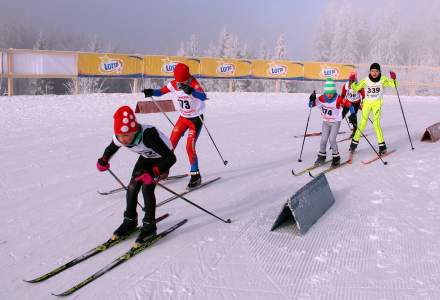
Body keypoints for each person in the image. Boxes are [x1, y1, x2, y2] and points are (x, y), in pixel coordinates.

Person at [96, 105, 176, 245]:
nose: (124, 139)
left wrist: (153, 172)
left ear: (135, 131)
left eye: (127, 136)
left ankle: (149, 225)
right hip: (147, 156)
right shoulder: (120, 136)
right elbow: (111, 148)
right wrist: (104, 159)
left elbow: (171, 158)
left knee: (147, 188)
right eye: (121, 136)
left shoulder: (148, 136)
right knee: (132, 186)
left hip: (162, 161)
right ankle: (130, 221)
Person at [142, 63, 207, 189]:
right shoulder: (174, 83)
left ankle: (196, 176)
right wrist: (151, 92)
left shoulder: (194, 83)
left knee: (189, 147)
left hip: (195, 119)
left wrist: (192, 92)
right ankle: (164, 170)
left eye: (182, 81)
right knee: (169, 144)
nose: (179, 83)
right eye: (178, 80)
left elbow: (203, 96)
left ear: (187, 78)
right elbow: (161, 92)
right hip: (183, 118)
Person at [348, 63, 397, 155]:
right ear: (370, 72)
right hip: (367, 104)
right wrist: (352, 81)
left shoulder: (382, 79)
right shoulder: (366, 80)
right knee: (362, 124)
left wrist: (393, 79)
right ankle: (353, 144)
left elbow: (393, 85)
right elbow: (356, 88)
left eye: (376, 71)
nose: (374, 73)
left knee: (376, 124)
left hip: (376, 104)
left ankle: (382, 146)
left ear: (379, 72)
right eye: (372, 71)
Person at [308, 78, 351, 167]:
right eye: (328, 93)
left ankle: (336, 158)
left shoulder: (338, 98)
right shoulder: (322, 98)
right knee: (323, 140)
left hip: (335, 122)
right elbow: (311, 105)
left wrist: (353, 114)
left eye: (331, 92)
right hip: (326, 122)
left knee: (332, 139)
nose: (329, 95)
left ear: (334, 91)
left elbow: (348, 104)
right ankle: (322, 156)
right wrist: (311, 99)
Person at [341, 72, 365, 137]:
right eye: (350, 80)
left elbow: (363, 95)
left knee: (353, 116)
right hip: (348, 102)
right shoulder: (346, 85)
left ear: (355, 80)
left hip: (355, 103)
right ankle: (334, 129)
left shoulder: (359, 86)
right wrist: (341, 102)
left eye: (353, 80)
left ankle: (355, 131)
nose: (351, 81)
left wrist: (362, 104)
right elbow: (343, 94)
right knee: (341, 115)